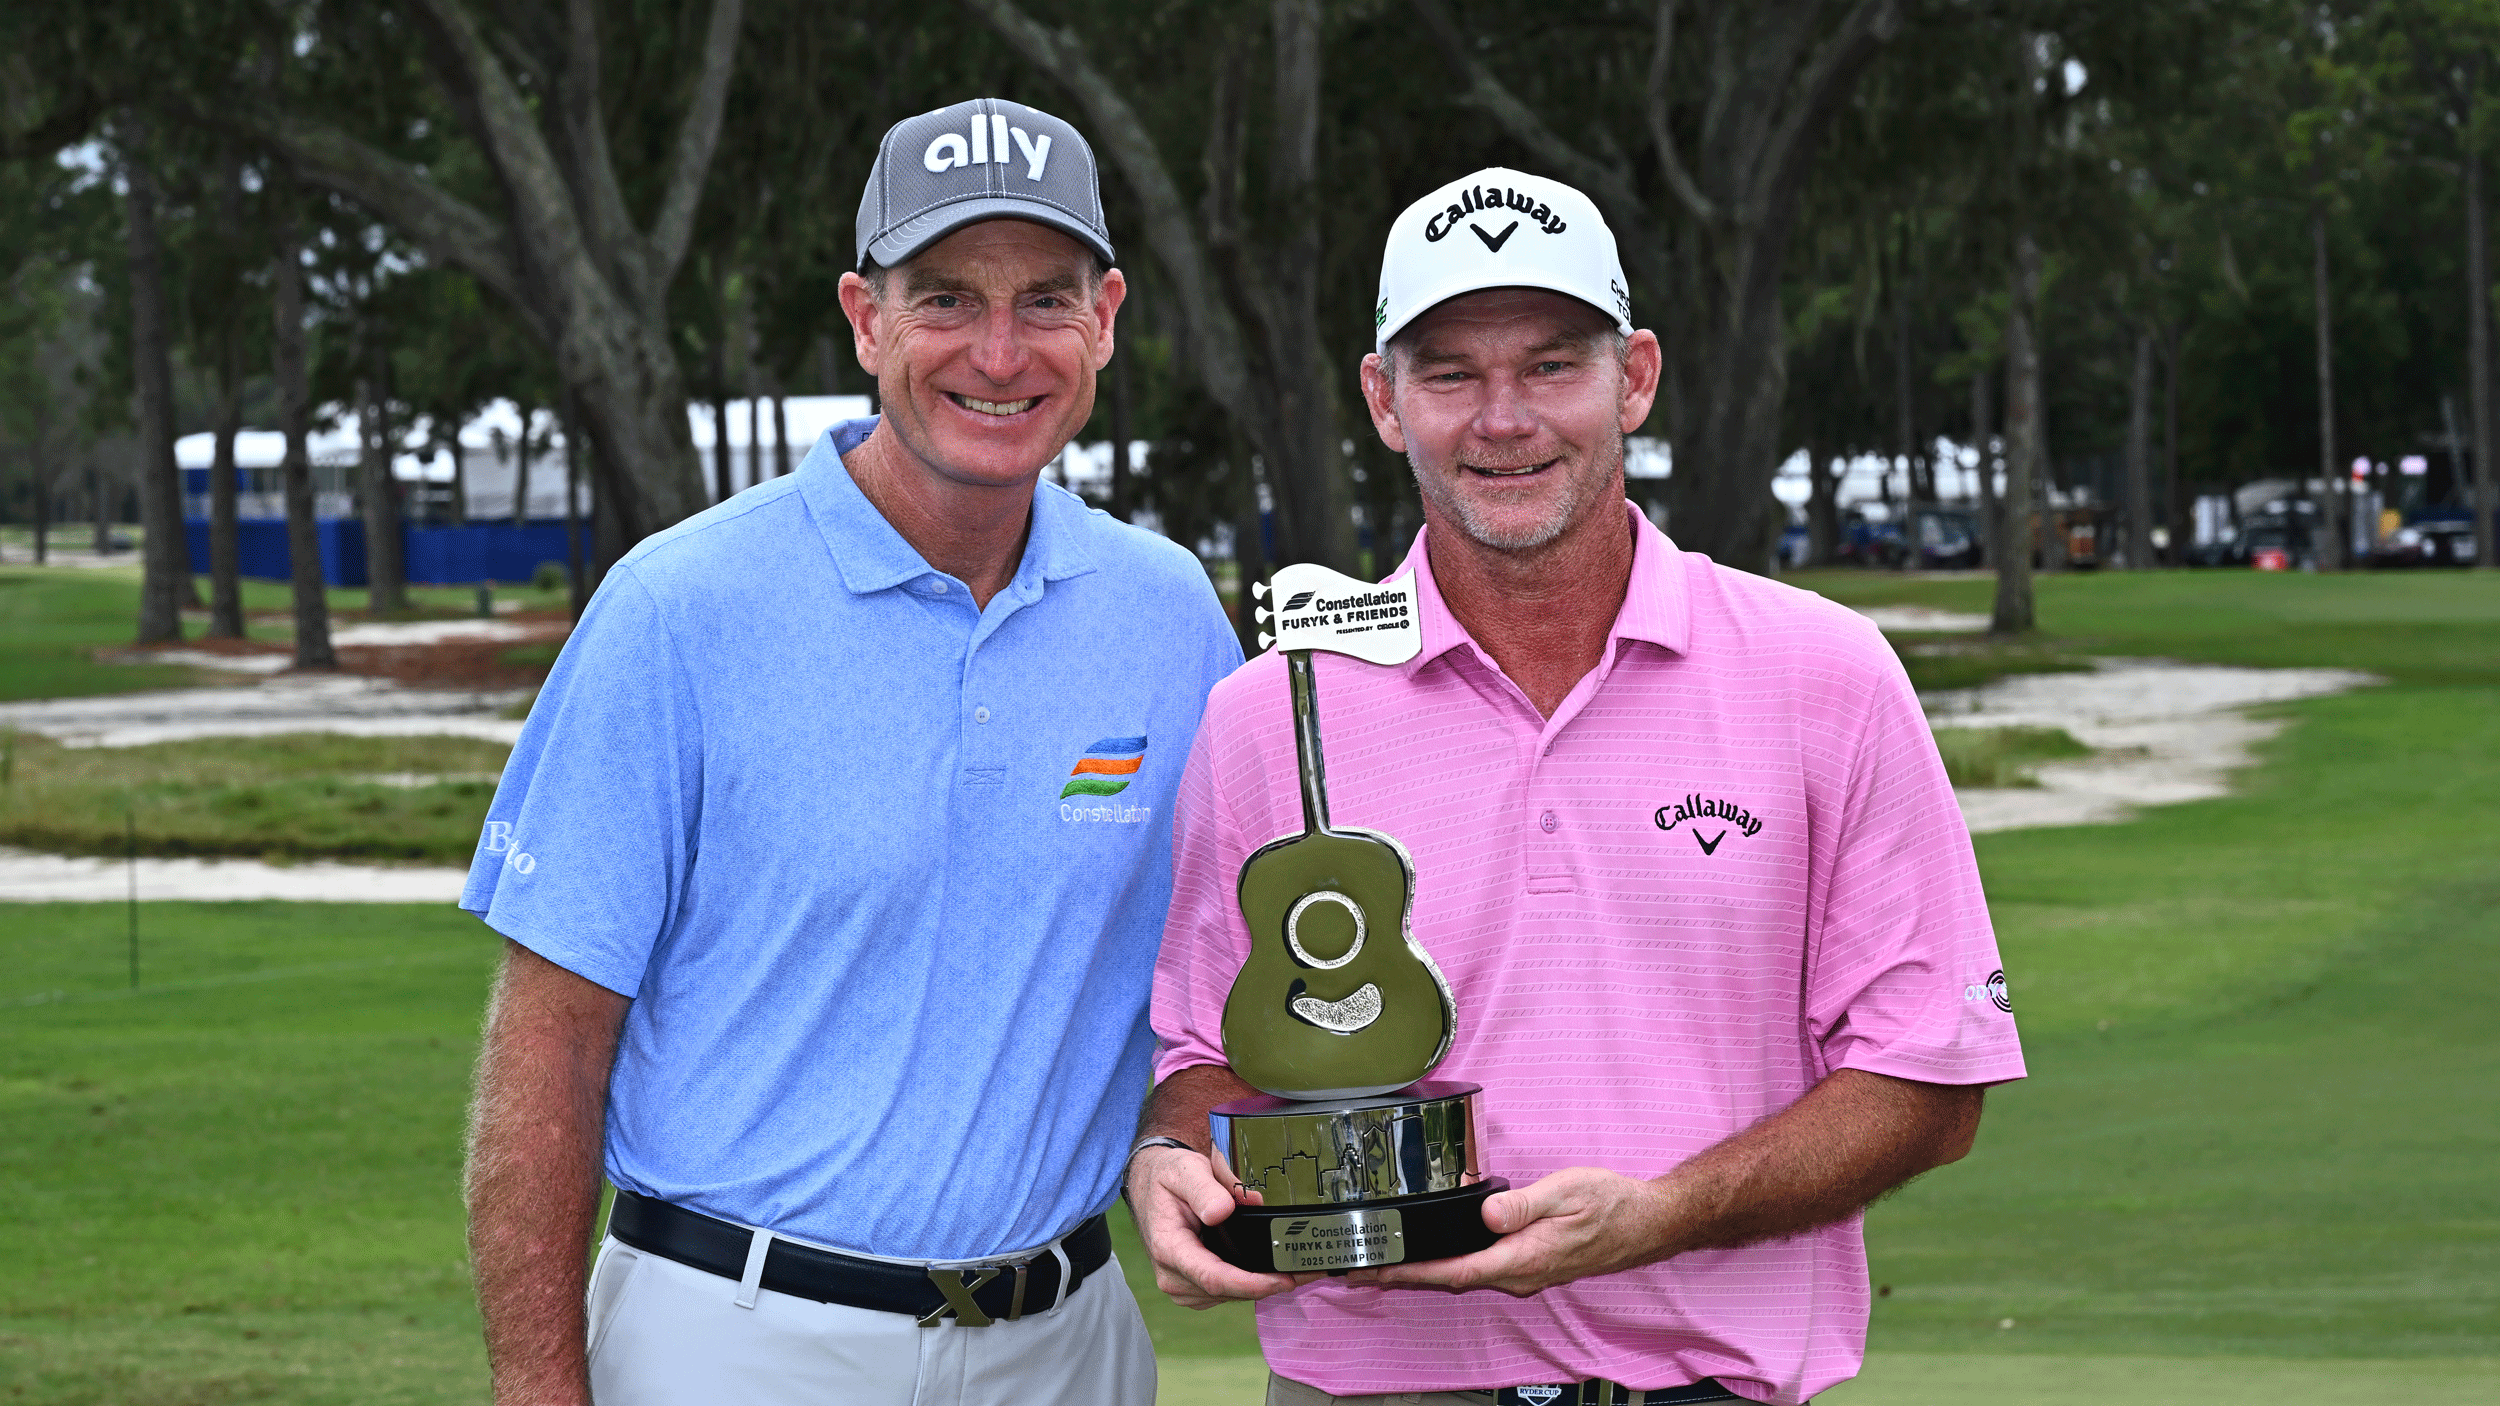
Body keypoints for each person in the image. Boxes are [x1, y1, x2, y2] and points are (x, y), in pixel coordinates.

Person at [1125, 168, 2027, 1406]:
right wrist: (1173, 1151)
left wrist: (1663, 1212)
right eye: (1451, 374)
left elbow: (1928, 1078)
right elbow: (1208, 1050)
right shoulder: (1272, 712)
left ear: (1634, 379)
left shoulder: (1824, 673)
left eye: (1552, 366)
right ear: (1383, 400)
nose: (1504, 419)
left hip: (1709, 1384)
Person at [459, 97, 1240, 1406]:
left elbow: (1209, 989)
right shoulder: (678, 606)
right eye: (946, 298)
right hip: (739, 1340)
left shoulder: (1171, 619)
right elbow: (552, 1045)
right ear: (866, 317)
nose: (999, 350)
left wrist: (1173, 1134)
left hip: (1068, 1344)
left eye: (1045, 299)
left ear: (1105, 318)